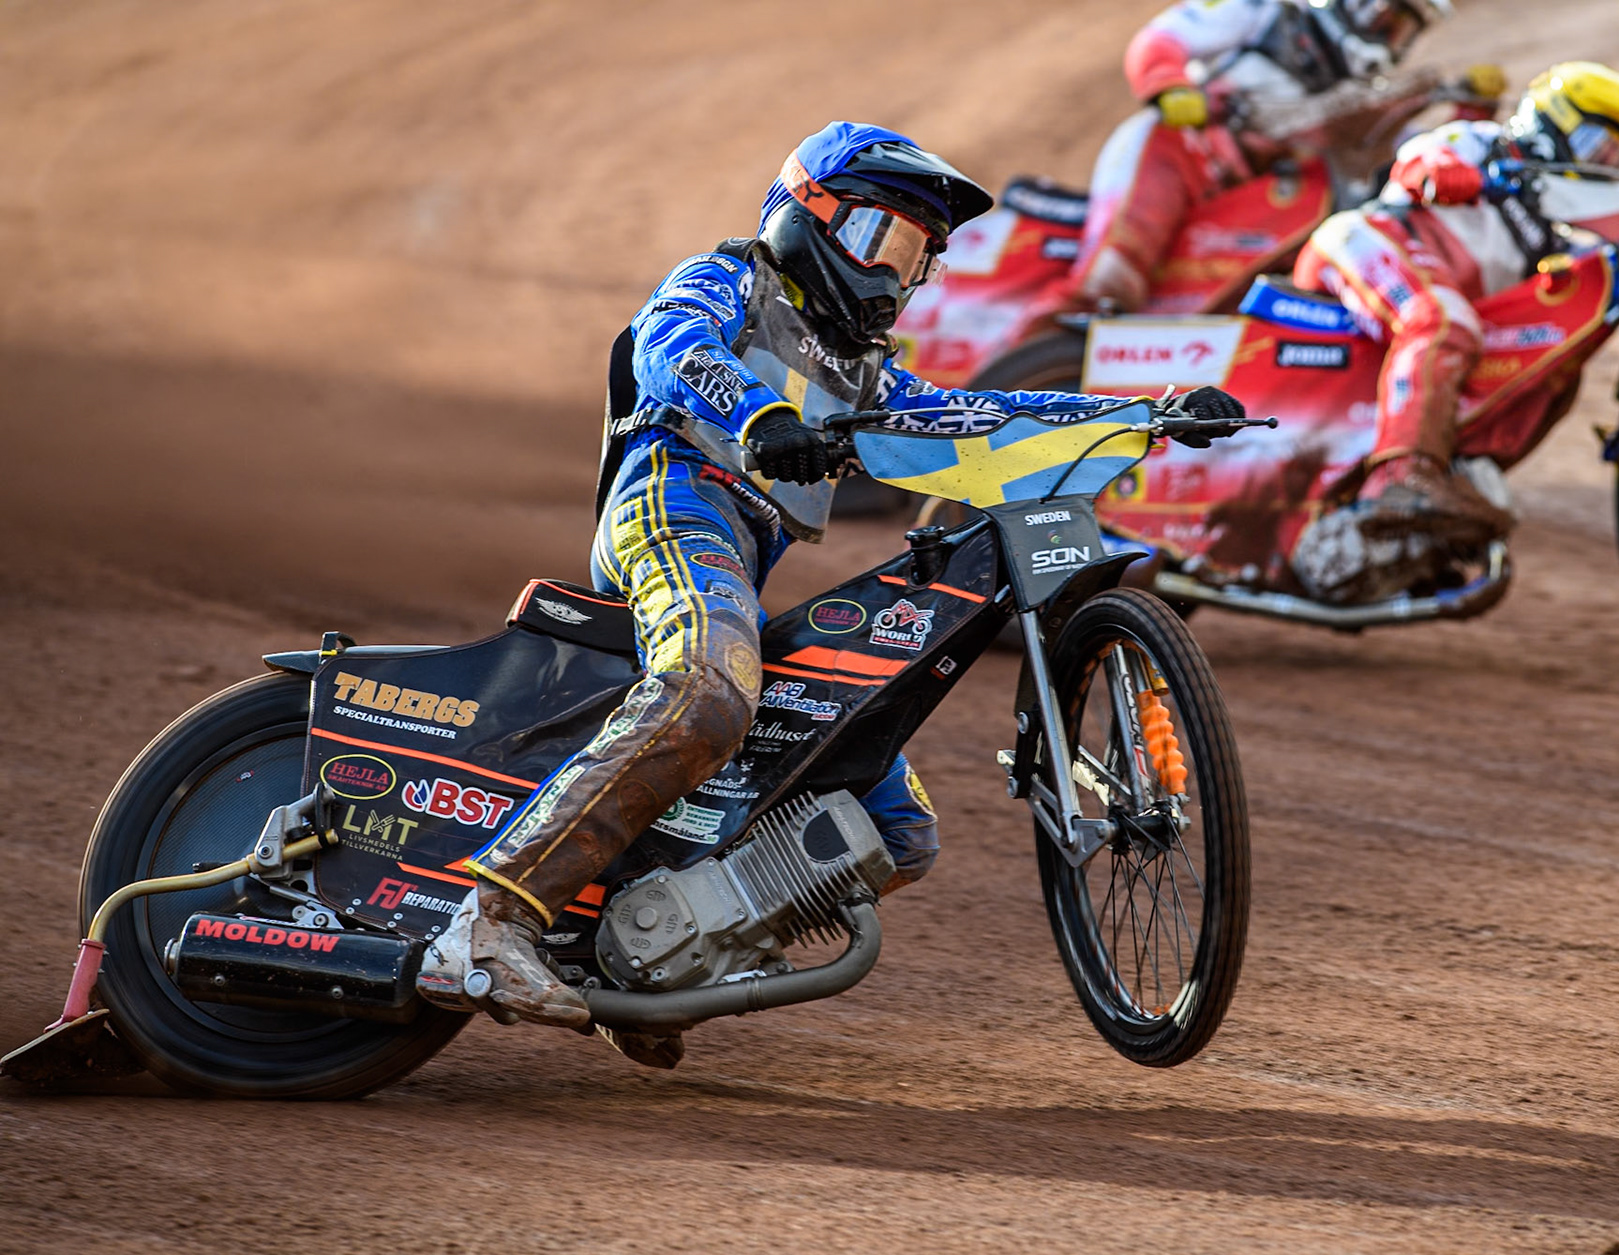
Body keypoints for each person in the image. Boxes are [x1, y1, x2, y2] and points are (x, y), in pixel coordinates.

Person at [424, 122, 1242, 1051]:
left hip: (738, 555)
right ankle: (488, 921)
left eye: (916, 259)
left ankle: (647, 956)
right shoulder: (727, 279)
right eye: (876, 241)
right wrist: (762, 415)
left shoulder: (863, 375)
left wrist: (1147, 414)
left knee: (896, 829)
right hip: (675, 505)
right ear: (804, 215)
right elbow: (671, 348)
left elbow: (982, 417)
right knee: (708, 687)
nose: (892, 276)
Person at [1290, 61, 1619, 548]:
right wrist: (1447, 176)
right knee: (1442, 321)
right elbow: (1416, 163)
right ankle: (1402, 476)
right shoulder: (1481, 143)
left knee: (1557, 360)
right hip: (1360, 241)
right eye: (1597, 148)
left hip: (1413, 300)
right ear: (1550, 122)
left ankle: (1454, 472)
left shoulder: (1560, 234)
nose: (1600, 170)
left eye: (1618, 163)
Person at [1041, 0, 1456, 323]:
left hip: (1251, 195)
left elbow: (1401, 151)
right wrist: (1170, 86)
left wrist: (1467, 116)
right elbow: (1159, 40)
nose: (1390, 38)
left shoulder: (1362, 91)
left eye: (1403, 31)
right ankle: (1011, 376)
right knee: (1108, 284)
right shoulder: (1261, 10)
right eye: (1388, 18)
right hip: (1173, 150)